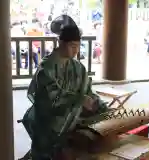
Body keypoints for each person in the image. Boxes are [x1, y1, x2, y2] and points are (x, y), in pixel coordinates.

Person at [23, 17, 109, 160]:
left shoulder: (78, 67)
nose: (75, 50)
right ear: (61, 43)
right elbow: (50, 97)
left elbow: (87, 92)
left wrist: (99, 106)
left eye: (78, 46)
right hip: (49, 124)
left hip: (71, 121)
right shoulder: (46, 68)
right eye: (72, 46)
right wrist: (79, 99)